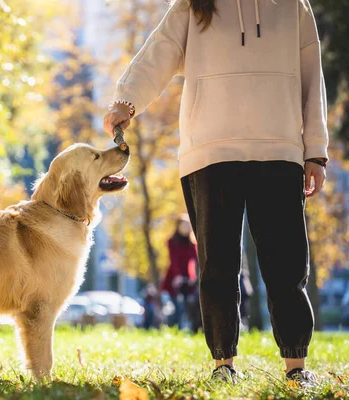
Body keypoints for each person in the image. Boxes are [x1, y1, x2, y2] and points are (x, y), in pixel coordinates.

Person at [103, 0, 328, 387]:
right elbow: (161, 50)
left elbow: (312, 76)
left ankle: (296, 367)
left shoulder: (293, 5)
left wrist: (316, 151)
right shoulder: (193, 5)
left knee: (287, 266)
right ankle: (223, 363)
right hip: (209, 150)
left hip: (279, 148)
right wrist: (127, 100)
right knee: (216, 266)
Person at [161, 214, 197, 328]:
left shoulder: (192, 244)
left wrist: (193, 277)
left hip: (188, 280)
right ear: (178, 227)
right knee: (176, 307)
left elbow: (194, 262)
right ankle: (173, 328)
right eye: (183, 226)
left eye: (187, 226)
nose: (185, 228)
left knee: (186, 307)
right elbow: (174, 260)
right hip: (174, 278)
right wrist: (177, 276)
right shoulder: (172, 242)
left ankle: (183, 328)